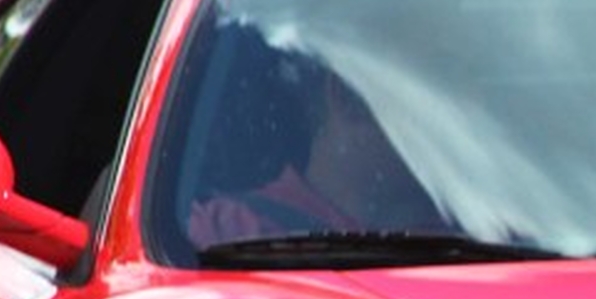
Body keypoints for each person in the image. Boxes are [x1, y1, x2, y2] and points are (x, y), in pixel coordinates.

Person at [188, 60, 439, 250]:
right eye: (434, 97)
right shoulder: (220, 234)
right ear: (350, 98)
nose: (463, 128)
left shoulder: (471, 238)